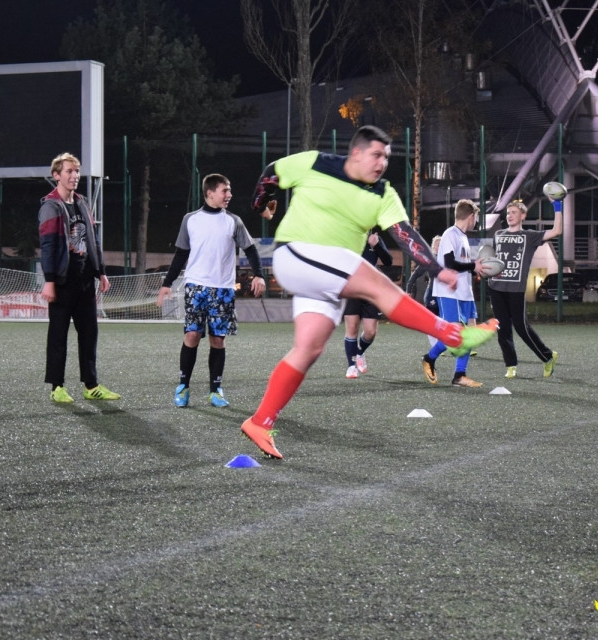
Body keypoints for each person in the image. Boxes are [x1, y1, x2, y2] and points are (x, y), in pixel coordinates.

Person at [239, 125, 498, 459]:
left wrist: (435, 268)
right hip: (297, 255)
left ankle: (260, 421)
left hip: (325, 279)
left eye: (387, 157)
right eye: (376, 155)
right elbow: (272, 173)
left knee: (308, 348)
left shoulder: (383, 193)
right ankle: (452, 335)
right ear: (357, 153)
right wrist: (262, 202)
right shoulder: (315, 163)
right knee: (376, 283)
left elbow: (404, 233)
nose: (382, 163)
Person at [156, 173, 266, 408]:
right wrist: (167, 283)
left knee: (218, 340)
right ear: (210, 193)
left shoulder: (233, 221)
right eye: (225, 190)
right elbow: (181, 254)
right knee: (192, 335)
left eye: (229, 190)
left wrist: (259, 274)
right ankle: (183, 387)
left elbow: (251, 249)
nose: (229, 195)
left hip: (223, 290)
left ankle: (215, 390)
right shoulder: (190, 219)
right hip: (195, 287)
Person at [38, 152, 120, 403]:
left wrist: (101, 272)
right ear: (56, 176)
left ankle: (91, 385)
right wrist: (49, 280)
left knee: (89, 334)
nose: (74, 176)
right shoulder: (50, 206)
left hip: (85, 281)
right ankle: (57, 387)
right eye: (69, 172)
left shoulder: (83, 202)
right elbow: (49, 245)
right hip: (63, 282)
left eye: (76, 171)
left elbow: (93, 240)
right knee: (58, 335)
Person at [487, 196, 563, 378]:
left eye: (514, 212)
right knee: (502, 328)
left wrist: (557, 206)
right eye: (508, 213)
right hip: (496, 287)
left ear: (523, 215)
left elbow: (556, 231)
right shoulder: (499, 235)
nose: (510, 215)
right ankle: (510, 365)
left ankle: (547, 357)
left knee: (521, 327)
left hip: (516, 289)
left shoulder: (530, 236)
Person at [422, 199, 493, 388]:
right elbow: (450, 263)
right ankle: (429, 358)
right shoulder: (449, 235)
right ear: (470, 216)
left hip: (465, 293)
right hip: (449, 292)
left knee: (469, 334)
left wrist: (479, 269)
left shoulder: (463, 237)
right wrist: (473, 265)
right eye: (476, 217)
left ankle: (459, 375)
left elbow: (463, 266)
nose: (476, 222)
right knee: (454, 334)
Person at [343, 230, 393, 379]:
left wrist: (376, 245)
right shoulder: (348, 237)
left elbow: (388, 261)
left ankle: (359, 352)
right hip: (351, 288)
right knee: (352, 328)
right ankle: (351, 366)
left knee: (370, 332)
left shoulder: (375, 238)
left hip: (371, 289)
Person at [405, 235, 442, 347]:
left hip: (445, 295)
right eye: (436, 244)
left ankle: (447, 345)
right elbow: (415, 275)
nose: (439, 246)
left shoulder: (447, 259)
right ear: (432, 247)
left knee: (445, 322)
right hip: (432, 294)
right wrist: (408, 289)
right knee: (432, 322)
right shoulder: (428, 260)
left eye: (441, 244)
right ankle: (434, 346)